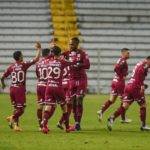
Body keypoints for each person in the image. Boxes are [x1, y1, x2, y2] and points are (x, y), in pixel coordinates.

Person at [1, 42, 41, 131]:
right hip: (20, 89)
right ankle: (12, 117)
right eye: (22, 55)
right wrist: (39, 49)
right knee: (21, 109)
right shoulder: (23, 64)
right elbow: (36, 59)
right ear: (19, 57)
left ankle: (16, 126)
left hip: (12, 89)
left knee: (16, 108)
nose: (23, 56)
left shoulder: (11, 67)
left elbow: (2, 77)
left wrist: (3, 85)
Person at [107, 56, 150, 131]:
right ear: (148, 60)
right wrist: (142, 86)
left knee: (125, 106)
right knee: (143, 105)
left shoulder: (140, 63)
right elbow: (139, 76)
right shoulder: (144, 67)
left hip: (129, 85)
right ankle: (143, 125)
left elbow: (137, 76)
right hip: (135, 87)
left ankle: (112, 118)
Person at [41, 46, 77, 134]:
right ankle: (67, 127)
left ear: (52, 53)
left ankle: (44, 126)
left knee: (48, 106)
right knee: (64, 107)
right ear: (60, 53)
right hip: (58, 87)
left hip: (49, 86)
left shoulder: (49, 61)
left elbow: (48, 56)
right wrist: (74, 55)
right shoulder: (62, 62)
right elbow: (73, 62)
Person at [62, 37, 90, 130]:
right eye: (69, 44)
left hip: (81, 80)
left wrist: (78, 64)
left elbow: (87, 65)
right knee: (73, 101)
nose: (70, 46)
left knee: (79, 99)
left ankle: (78, 122)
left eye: (72, 44)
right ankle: (76, 122)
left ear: (77, 45)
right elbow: (57, 55)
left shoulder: (83, 53)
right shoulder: (67, 53)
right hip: (72, 80)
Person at [97, 48, 131, 123]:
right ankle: (122, 118)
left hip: (114, 81)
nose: (129, 54)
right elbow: (116, 68)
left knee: (112, 100)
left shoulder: (120, 60)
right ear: (123, 53)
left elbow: (117, 68)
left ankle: (101, 111)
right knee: (124, 101)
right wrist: (122, 75)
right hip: (119, 82)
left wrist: (123, 73)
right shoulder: (123, 61)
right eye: (128, 53)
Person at [35, 48, 51, 130]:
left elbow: (37, 74)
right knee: (50, 105)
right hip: (47, 85)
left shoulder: (38, 63)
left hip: (39, 84)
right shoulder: (50, 62)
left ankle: (40, 124)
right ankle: (44, 123)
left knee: (40, 104)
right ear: (48, 54)